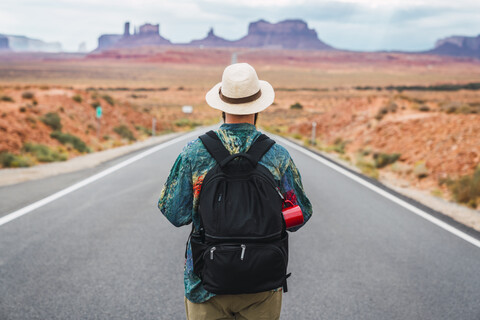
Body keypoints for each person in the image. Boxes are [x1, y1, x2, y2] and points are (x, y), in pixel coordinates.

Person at [158, 63, 312, 320]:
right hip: (262, 282)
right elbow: (299, 218)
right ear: (259, 106)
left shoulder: (194, 152)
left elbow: (175, 214)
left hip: (205, 284)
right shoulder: (277, 155)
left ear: (221, 105)